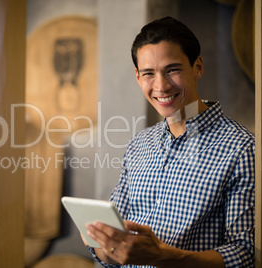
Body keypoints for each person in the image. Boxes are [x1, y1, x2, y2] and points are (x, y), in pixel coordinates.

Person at [83, 17, 255, 268]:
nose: (161, 86)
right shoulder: (138, 145)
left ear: (198, 67)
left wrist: (162, 256)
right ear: (137, 75)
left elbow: (245, 254)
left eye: (172, 70)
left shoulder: (241, 148)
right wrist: (99, 245)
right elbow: (114, 246)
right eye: (149, 73)